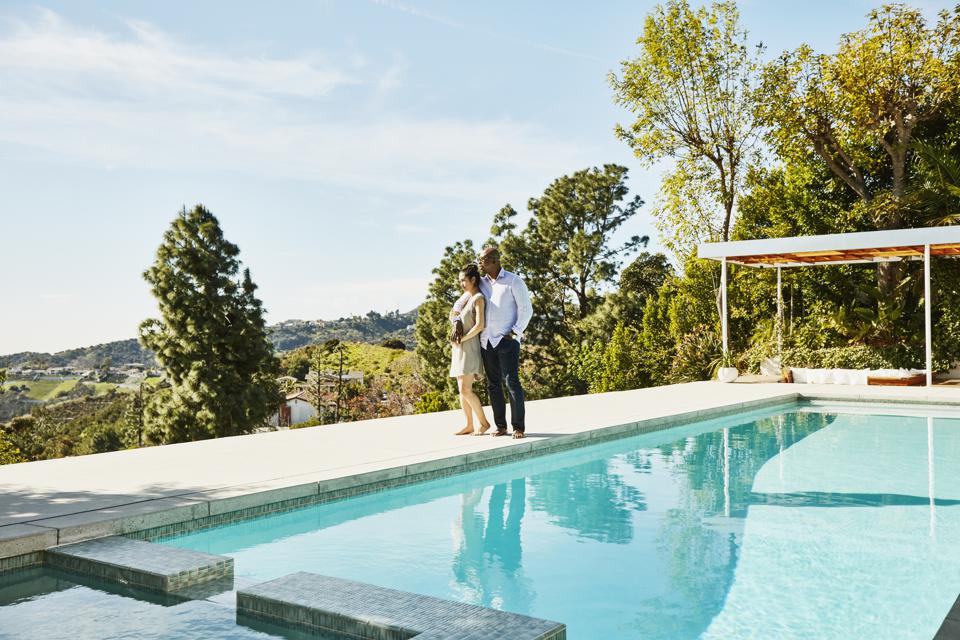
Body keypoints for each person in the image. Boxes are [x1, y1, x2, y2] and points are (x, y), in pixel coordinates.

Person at [476, 247, 532, 439]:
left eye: (482, 260)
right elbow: (464, 300)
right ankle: (501, 426)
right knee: (493, 385)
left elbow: (526, 309)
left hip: (506, 341)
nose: (479, 263)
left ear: (493, 260)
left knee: (512, 383)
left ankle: (518, 427)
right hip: (486, 342)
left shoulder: (514, 281)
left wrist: (515, 332)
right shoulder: (480, 283)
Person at [449, 264, 492, 436]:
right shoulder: (465, 298)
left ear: (473, 280)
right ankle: (469, 425)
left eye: (463, 280)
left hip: (470, 347)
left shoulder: (478, 298)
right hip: (460, 348)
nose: (461, 284)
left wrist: (463, 338)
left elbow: (480, 325)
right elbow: (454, 315)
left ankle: (484, 423)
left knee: (466, 389)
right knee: (461, 389)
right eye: (459, 281)